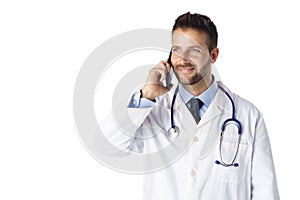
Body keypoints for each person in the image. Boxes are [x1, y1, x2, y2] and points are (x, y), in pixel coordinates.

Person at [103, 12, 280, 199]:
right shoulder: (153, 109)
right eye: (177, 49)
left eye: (194, 50)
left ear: (213, 55)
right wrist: (145, 95)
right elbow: (108, 147)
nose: (183, 59)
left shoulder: (247, 115)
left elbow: (265, 191)